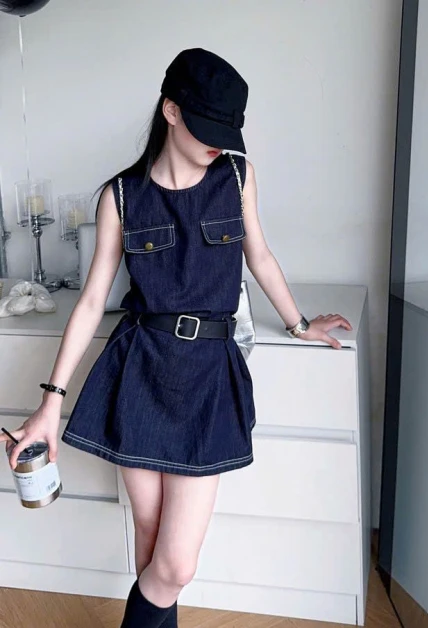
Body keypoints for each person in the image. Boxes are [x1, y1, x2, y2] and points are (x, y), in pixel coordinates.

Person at [0, 48, 352, 628]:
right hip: (141, 371)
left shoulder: (237, 176)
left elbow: (260, 257)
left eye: (228, 131)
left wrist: (299, 323)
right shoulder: (121, 196)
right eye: (207, 127)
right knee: (151, 539)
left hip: (208, 376)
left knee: (176, 565)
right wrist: (49, 403)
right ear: (171, 111)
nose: (220, 143)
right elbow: (91, 301)